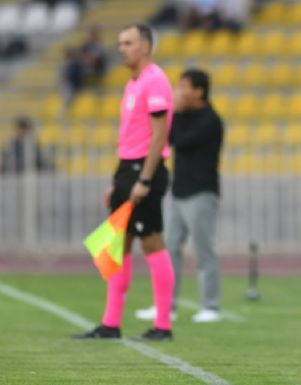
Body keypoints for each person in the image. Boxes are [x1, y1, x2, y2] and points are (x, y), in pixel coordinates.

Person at [73, 24, 175, 341]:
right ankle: (110, 323)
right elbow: (132, 136)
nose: (122, 49)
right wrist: (116, 181)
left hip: (145, 170)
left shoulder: (154, 79)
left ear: (145, 46)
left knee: (152, 242)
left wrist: (144, 178)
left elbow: (159, 134)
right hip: (127, 170)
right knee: (117, 245)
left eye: (128, 43)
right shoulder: (133, 83)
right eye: (119, 43)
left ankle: (162, 325)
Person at [135, 68, 224, 323]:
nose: (178, 92)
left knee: (203, 250)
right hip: (179, 192)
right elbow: (165, 137)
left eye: (184, 87)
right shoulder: (182, 116)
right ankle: (167, 306)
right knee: (170, 249)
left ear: (199, 91)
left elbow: (179, 140)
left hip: (201, 192)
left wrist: (171, 112)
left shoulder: (210, 120)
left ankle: (211, 305)